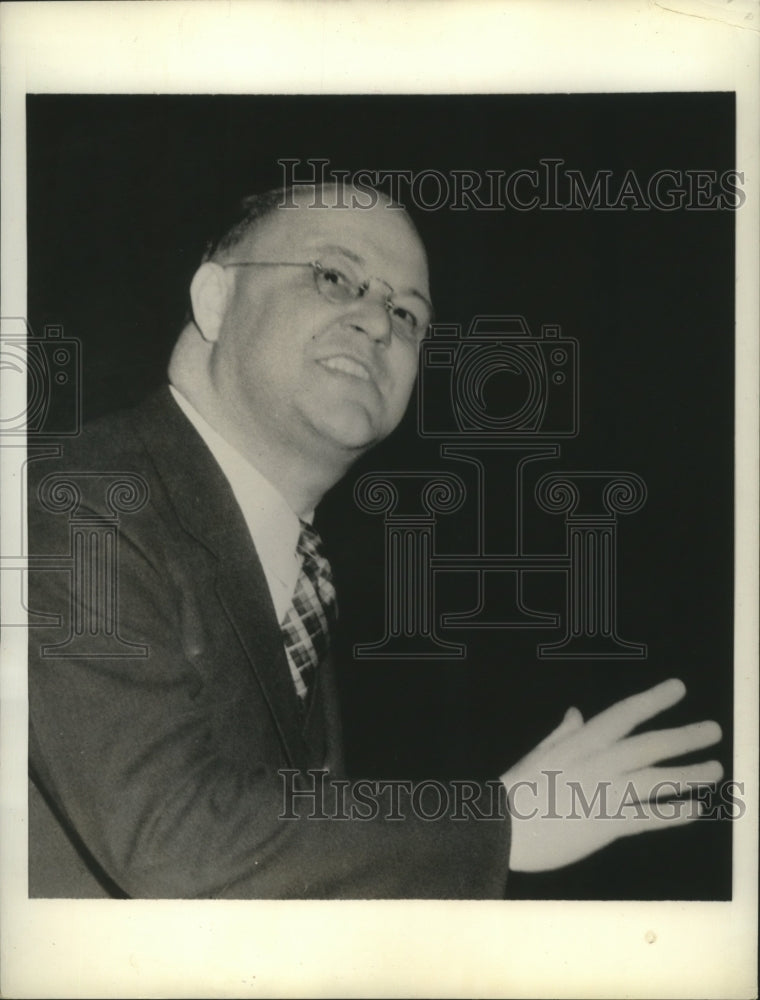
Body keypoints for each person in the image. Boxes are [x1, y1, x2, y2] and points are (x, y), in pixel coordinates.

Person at [27, 183, 723, 898]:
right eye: (334, 278)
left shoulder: (295, 571)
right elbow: (169, 838)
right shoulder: (80, 502)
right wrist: (500, 821)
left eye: (407, 313)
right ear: (215, 299)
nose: (378, 323)